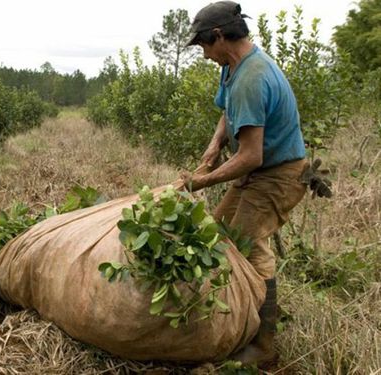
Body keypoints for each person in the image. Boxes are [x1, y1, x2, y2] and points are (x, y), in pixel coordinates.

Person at [180, 1, 309, 368]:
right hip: (257, 170)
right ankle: (227, 318)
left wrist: (201, 181)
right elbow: (228, 112)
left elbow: (251, 156)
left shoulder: (253, 78)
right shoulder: (232, 66)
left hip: (278, 173)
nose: (203, 54)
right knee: (218, 233)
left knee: (247, 246)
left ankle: (264, 345)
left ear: (220, 36)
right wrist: (215, 144)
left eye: (204, 45)